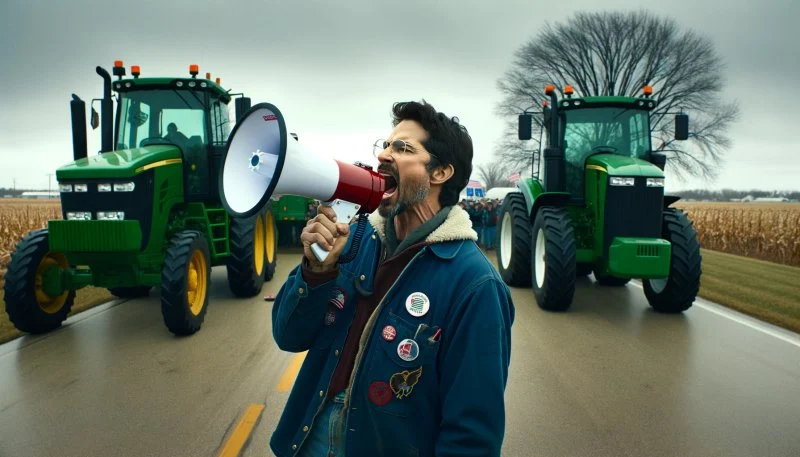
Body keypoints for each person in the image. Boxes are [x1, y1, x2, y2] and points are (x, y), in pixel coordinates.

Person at [269, 100, 515, 457]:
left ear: (441, 172)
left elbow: (472, 433)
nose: (384, 155)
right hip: (307, 443)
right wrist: (316, 273)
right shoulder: (351, 239)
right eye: (384, 145)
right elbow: (289, 336)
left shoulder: (475, 285)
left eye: (402, 148)